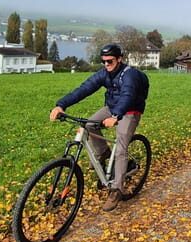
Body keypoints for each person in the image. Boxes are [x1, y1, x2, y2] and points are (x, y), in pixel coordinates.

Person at [50, 43, 148, 211]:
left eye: (110, 61)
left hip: (130, 110)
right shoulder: (104, 73)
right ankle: (103, 153)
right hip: (111, 107)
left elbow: (128, 95)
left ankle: (117, 189)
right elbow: (84, 89)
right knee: (88, 126)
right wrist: (61, 105)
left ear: (119, 59)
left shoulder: (129, 75)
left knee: (121, 147)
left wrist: (116, 116)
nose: (106, 65)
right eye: (103, 61)